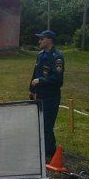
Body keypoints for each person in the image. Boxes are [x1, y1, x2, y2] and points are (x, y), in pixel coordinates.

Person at [29, 29, 64, 157]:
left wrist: (41, 81)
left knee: (47, 124)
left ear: (49, 40)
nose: (39, 41)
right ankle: (42, 148)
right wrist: (32, 91)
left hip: (51, 96)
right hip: (39, 94)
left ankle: (50, 152)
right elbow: (35, 74)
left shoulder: (57, 57)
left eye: (42, 39)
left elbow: (58, 80)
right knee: (39, 123)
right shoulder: (40, 55)